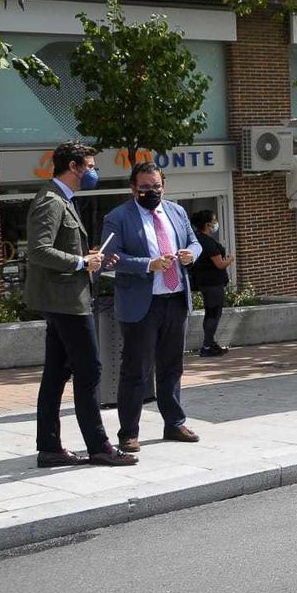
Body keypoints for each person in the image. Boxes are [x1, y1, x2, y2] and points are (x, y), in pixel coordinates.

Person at [25, 141, 137, 467]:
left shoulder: (62, 199)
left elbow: (58, 249)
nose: (93, 172)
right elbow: (39, 250)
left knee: (56, 374)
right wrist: (80, 262)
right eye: (89, 166)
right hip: (67, 303)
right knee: (89, 371)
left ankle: (49, 448)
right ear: (73, 167)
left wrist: (91, 258)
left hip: (65, 299)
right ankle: (99, 446)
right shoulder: (51, 201)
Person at [101, 162, 203, 453]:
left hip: (176, 299)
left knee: (172, 367)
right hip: (141, 306)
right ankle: (128, 433)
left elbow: (195, 242)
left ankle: (174, 423)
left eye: (156, 186)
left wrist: (191, 254)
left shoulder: (177, 211)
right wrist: (148, 264)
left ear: (164, 186)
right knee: (136, 370)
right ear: (133, 188)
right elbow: (110, 257)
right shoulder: (118, 217)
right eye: (145, 187)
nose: (152, 192)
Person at [188, 209, 234, 356]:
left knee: (210, 313)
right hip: (212, 283)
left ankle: (210, 343)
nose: (216, 224)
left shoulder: (198, 239)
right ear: (207, 224)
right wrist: (230, 259)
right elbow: (219, 264)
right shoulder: (207, 242)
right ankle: (207, 347)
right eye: (214, 221)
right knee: (214, 313)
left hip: (205, 282)